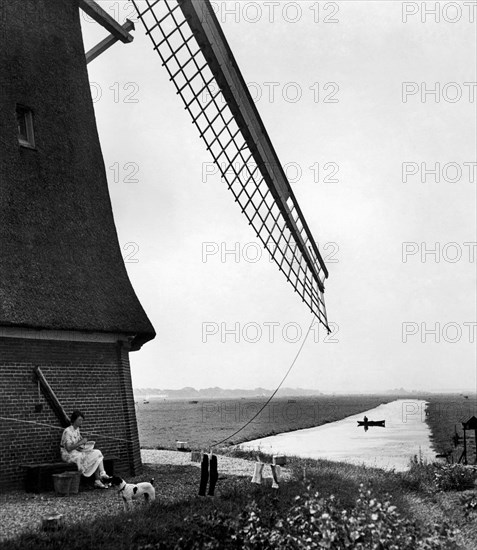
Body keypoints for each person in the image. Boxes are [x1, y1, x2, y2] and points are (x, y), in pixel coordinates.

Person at [60, 410, 111, 489]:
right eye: (79, 420)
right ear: (74, 420)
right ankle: (99, 479)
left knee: (97, 452)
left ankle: (102, 475)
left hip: (77, 451)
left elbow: (79, 442)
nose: (81, 422)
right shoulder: (67, 431)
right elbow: (68, 448)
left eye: (82, 420)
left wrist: (86, 445)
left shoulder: (77, 429)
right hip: (68, 454)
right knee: (86, 457)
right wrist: (80, 443)